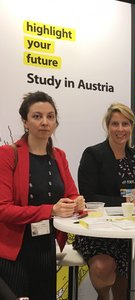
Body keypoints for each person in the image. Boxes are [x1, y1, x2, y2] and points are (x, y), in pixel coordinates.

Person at [0, 91, 85, 299]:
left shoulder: (59, 155)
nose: (45, 122)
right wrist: (51, 210)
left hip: (46, 245)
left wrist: (77, 202)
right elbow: (3, 208)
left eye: (50, 116)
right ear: (25, 122)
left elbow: (71, 193)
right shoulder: (7, 154)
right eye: (37, 116)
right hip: (15, 250)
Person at [73, 103, 135, 300]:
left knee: (124, 286)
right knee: (103, 268)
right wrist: (126, 201)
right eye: (115, 124)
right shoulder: (93, 154)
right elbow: (88, 196)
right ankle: (103, 297)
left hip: (128, 229)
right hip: (98, 229)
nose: (120, 129)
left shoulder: (134, 157)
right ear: (107, 125)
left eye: (125, 124)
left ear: (131, 126)